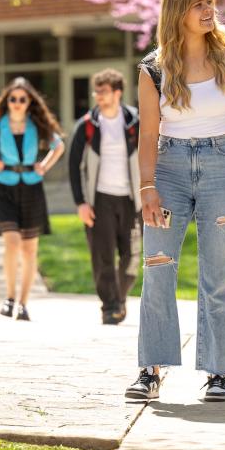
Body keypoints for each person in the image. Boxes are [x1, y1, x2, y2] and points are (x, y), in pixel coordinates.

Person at [125, 0, 225, 403]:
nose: (208, 10)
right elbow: (148, 134)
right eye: (198, 5)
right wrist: (147, 187)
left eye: (210, 3)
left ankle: (220, 371)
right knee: (158, 264)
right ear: (177, 13)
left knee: (219, 272)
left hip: (222, 164)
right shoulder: (153, 68)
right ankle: (151, 368)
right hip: (167, 169)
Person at [0, 77, 64, 321]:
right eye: (12, 99)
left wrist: (44, 166)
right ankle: (9, 297)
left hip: (32, 188)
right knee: (12, 243)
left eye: (22, 99)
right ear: (7, 101)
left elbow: (58, 145)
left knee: (29, 248)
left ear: (28, 102)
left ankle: (24, 303)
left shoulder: (37, 123)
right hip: (5, 187)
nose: (17, 103)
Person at [68, 69, 142, 325]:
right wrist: (80, 203)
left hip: (132, 200)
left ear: (118, 92)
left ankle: (120, 298)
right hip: (99, 200)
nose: (99, 96)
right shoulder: (87, 126)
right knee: (103, 257)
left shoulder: (135, 123)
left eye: (104, 91)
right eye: (96, 91)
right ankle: (109, 306)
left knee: (132, 257)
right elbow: (74, 166)